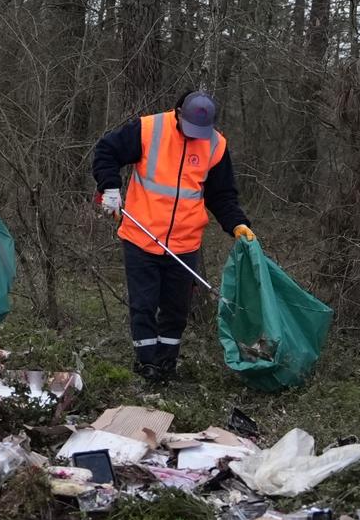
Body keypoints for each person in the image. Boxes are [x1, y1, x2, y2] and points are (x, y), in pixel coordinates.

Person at [91, 91, 253, 383]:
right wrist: (111, 188)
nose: (195, 137)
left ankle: (166, 366)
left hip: (184, 243)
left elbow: (222, 195)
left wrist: (237, 224)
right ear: (178, 113)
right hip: (141, 237)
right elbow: (106, 152)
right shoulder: (149, 129)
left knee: (176, 311)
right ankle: (146, 365)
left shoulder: (215, 146)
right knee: (143, 305)